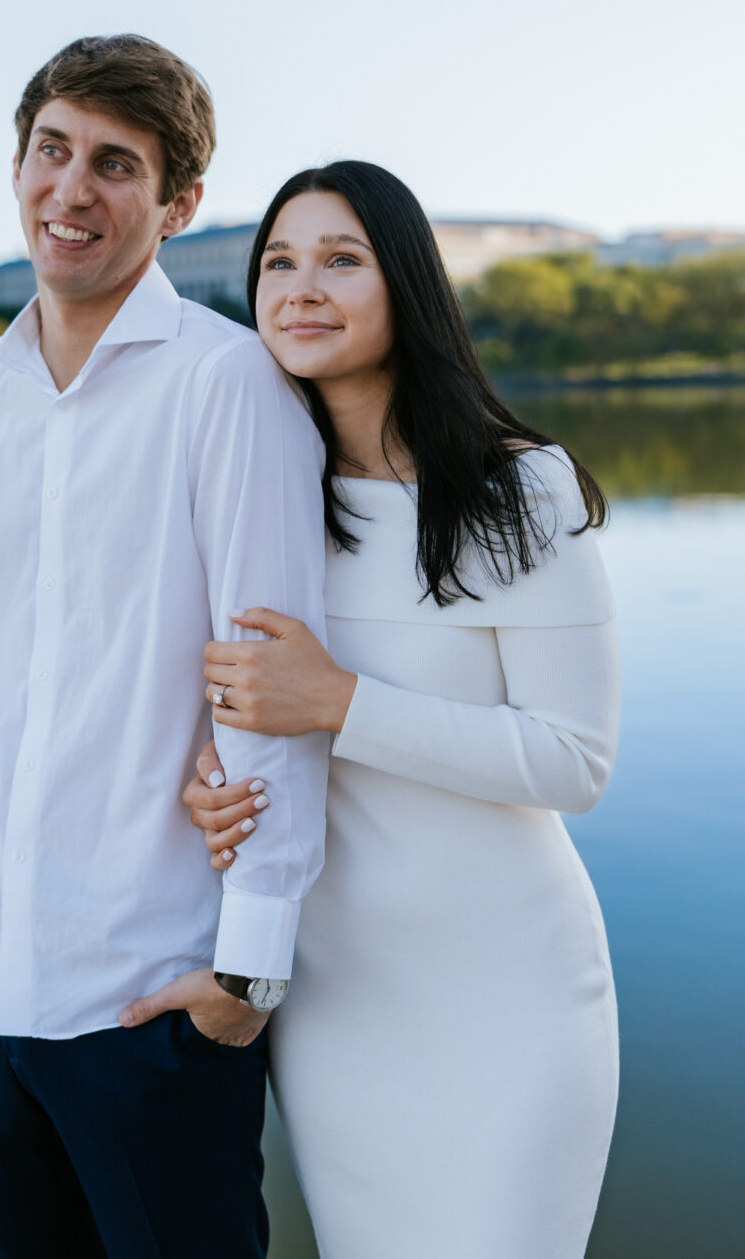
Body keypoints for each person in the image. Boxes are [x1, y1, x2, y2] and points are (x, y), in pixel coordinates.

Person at [123, 161, 621, 1258]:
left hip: (509, 990)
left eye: (340, 260)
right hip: (336, 999)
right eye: (278, 264)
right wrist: (210, 791)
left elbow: (573, 762)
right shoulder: (260, 495)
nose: (300, 288)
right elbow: (237, 713)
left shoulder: (517, 490)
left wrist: (340, 702)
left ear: (406, 285)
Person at [0, 34, 331, 1259]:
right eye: (51, 151)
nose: (70, 190)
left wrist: (249, 976)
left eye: (115, 164)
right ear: (20, 164)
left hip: (145, 992)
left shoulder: (228, 383)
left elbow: (269, 689)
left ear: (178, 203)